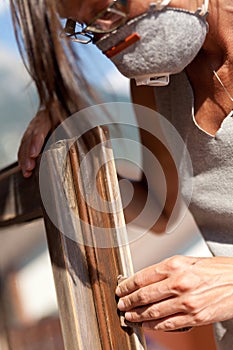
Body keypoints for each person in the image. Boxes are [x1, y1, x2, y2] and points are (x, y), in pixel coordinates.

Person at [10, 0, 233, 349]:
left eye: (107, 7)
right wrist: (73, 167)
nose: (108, 37)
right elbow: (161, 207)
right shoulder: (157, 84)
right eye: (83, 27)